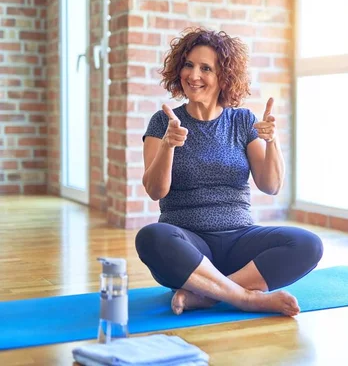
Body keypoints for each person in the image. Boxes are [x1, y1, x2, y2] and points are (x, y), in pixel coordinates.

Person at [135, 27, 323, 317]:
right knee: (151, 237)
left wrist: (272, 141)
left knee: (308, 244)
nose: (193, 75)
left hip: (239, 241)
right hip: (189, 248)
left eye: (205, 68)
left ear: (224, 77)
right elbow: (155, 191)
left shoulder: (242, 120)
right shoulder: (163, 122)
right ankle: (246, 299)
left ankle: (207, 295)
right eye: (188, 65)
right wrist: (168, 146)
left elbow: (270, 185)